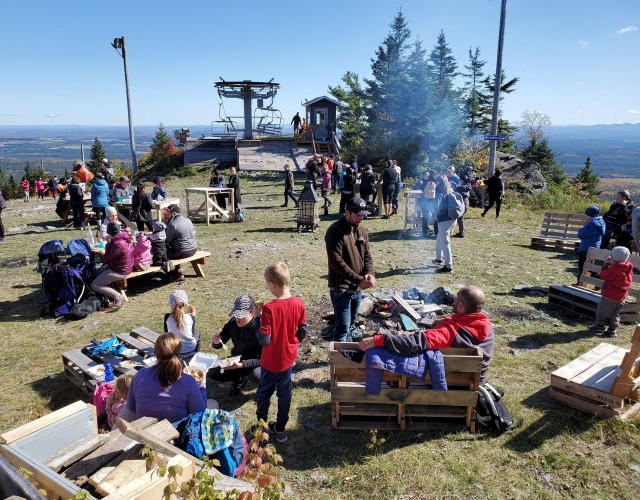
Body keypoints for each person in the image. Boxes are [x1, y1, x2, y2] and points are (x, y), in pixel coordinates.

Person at [358, 285, 495, 384]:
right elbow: (464, 325)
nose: (453, 302)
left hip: (451, 384)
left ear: (460, 306)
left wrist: (378, 340)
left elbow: (414, 343)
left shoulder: (450, 331)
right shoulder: (487, 325)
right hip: (473, 382)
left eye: (456, 300)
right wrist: (448, 320)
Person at [254, 263, 308, 443]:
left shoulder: (269, 308)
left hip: (271, 362)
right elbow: (303, 330)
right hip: (288, 360)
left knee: (264, 394)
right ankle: (281, 429)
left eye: (267, 284)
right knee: (285, 395)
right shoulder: (298, 303)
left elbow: (264, 340)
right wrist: (292, 343)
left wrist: (256, 318)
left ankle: (261, 427)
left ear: (272, 284)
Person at [127, 332, 207, 424]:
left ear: (155, 352)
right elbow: (200, 414)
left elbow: (131, 407)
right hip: (175, 436)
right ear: (179, 352)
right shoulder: (188, 381)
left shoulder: (139, 375)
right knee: (213, 403)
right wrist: (202, 386)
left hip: (145, 433)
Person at [325, 197, 376, 341]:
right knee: (342, 328)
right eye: (358, 215)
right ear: (347, 212)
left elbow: (367, 255)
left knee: (351, 325)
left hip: (357, 289)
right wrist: (358, 279)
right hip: (341, 289)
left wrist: (370, 274)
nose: (361, 218)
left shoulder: (362, 231)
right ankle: (338, 361)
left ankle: (347, 357)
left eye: (363, 215)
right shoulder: (335, 231)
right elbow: (336, 262)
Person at [209, 296, 262, 396]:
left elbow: (266, 360)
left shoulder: (260, 327)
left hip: (257, 363)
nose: (237, 318)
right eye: (236, 314)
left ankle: (265, 388)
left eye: (241, 315)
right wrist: (216, 342)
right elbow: (221, 342)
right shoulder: (233, 322)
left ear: (252, 313)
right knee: (212, 372)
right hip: (237, 359)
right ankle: (239, 379)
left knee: (257, 376)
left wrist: (241, 365)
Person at [590, 246, 634, 338]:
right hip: (621, 297)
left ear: (613, 258)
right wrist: (613, 263)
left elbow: (603, 275)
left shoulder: (613, 269)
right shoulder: (628, 267)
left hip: (610, 296)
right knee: (615, 314)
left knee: (602, 311)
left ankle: (600, 326)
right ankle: (612, 330)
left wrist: (606, 264)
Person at [90, 222, 132, 308]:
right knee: (96, 272)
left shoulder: (118, 243)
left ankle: (118, 296)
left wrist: (108, 243)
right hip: (121, 267)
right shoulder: (123, 238)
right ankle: (104, 297)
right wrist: (108, 264)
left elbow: (109, 257)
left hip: (120, 271)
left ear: (109, 232)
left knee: (94, 285)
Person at [163, 204, 197, 280]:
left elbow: (166, 240)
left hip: (182, 251)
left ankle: (175, 273)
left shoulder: (173, 224)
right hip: (193, 248)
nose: (166, 215)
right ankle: (176, 271)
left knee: (161, 253)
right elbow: (194, 232)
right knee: (176, 247)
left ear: (174, 214)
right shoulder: (187, 220)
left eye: (168, 213)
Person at [433, 176, 459, 273]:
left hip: (445, 220)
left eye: (436, 181)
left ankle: (448, 266)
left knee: (445, 243)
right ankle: (438, 258)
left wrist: (436, 215)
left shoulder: (440, 191)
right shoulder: (450, 189)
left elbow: (439, 207)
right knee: (440, 237)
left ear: (439, 182)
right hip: (453, 219)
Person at [164, 290, 200, 358]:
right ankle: (196, 352)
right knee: (197, 332)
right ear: (185, 303)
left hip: (173, 348)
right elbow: (191, 334)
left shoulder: (167, 317)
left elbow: (166, 334)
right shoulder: (190, 317)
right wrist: (193, 316)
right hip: (189, 348)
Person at [576, 205, 606, 281]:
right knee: (590, 266)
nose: (586, 217)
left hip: (586, 248)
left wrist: (580, 230)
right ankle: (597, 279)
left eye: (587, 215)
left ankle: (581, 282)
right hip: (594, 248)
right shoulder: (601, 222)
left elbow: (581, 234)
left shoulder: (592, 224)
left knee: (582, 266)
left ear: (590, 215)